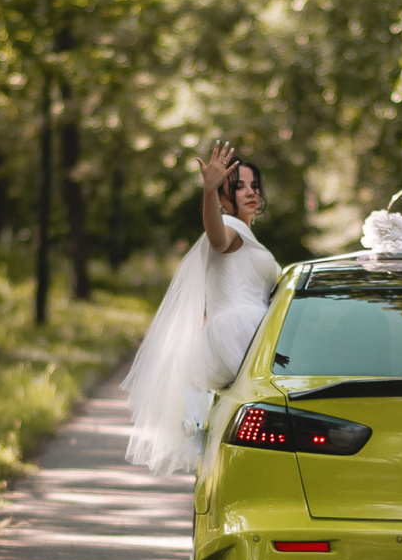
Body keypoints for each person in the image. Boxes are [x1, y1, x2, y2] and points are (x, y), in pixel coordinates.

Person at [121, 140, 283, 475]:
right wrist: (208, 191)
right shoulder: (232, 230)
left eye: (255, 185)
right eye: (239, 187)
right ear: (224, 198)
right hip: (240, 331)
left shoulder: (249, 237)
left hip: (243, 329)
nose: (251, 192)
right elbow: (216, 238)